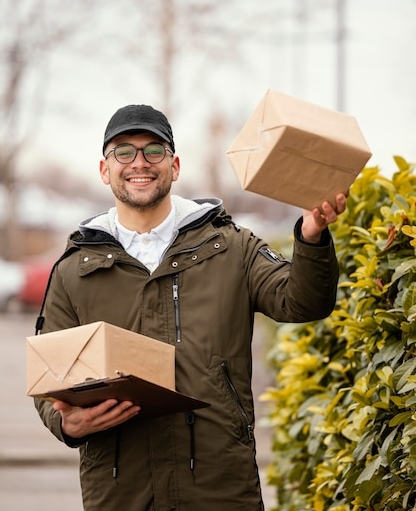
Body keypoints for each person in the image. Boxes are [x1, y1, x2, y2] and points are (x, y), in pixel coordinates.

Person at [34, 103, 346, 511]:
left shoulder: (233, 247)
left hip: (220, 486)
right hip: (119, 493)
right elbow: (49, 373)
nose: (139, 163)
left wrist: (312, 236)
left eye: (154, 150)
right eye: (124, 152)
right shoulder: (74, 270)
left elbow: (302, 302)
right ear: (105, 169)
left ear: (175, 165)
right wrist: (66, 423)